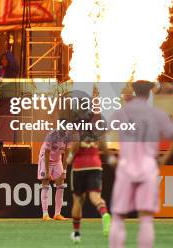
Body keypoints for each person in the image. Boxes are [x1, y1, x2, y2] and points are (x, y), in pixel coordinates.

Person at [108, 81, 173, 248]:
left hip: (126, 167)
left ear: (133, 91)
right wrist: (163, 159)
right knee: (146, 218)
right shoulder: (157, 113)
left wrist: (111, 157)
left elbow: (101, 133)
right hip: (148, 167)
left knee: (118, 217)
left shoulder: (122, 112)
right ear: (149, 94)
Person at [65, 102, 111, 243]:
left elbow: (76, 143)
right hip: (95, 165)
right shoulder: (97, 124)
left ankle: (77, 234)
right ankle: (104, 214)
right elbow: (103, 145)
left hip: (80, 166)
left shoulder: (76, 124)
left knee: (78, 200)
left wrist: (70, 157)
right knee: (95, 197)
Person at [38, 129, 70, 221]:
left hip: (57, 160)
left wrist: (64, 171)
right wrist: (47, 172)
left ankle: (57, 214)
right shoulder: (51, 135)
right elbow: (47, 153)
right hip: (45, 159)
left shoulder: (69, 137)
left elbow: (67, 154)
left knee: (61, 185)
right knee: (45, 184)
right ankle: (45, 214)